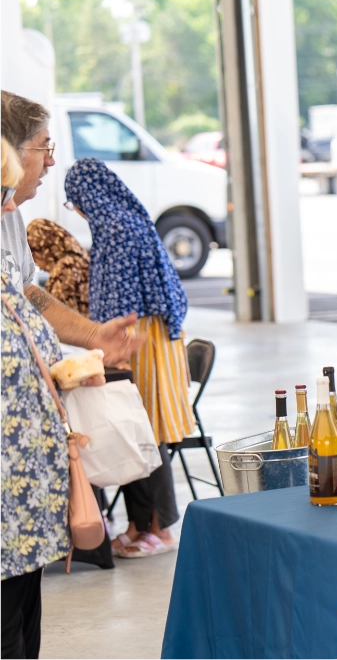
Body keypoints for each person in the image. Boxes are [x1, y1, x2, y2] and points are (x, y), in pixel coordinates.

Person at [0, 137, 103, 660]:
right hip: (9, 499)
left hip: (25, 500)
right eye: (3, 196)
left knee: (22, 617)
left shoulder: (5, 257)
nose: (12, 208)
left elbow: (26, 318)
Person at [65, 158, 195, 558]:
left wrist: (103, 349)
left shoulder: (117, 229)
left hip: (138, 337)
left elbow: (119, 300)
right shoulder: (124, 221)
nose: (79, 211)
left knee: (142, 427)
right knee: (131, 427)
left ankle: (159, 529)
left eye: (75, 202)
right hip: (143, 335)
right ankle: (140, 526)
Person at [0, 90, 142, 363]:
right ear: (9, 151)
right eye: (44, 148)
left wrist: (93, 336)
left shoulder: (12, 213)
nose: (51, 161)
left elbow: (25, 291)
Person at [25, 218, 90, 317]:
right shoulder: (83, 260)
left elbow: (58, 318)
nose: (40, 268)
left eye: (35, 259)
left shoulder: (64, 269)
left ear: (43, 251)